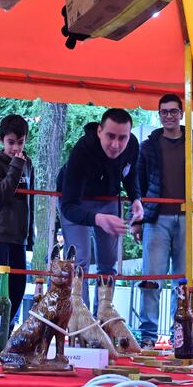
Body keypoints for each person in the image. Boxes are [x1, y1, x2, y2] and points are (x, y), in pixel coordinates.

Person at [133, 93, 193, 348]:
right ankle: (147, 336)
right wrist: (136, 220)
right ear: (158, 115)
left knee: (184, 281)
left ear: (181, 114)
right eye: (164, 112)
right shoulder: (147, 146)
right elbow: (137, 183)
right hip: (155, 218)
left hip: (190, 217)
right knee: (151, 278)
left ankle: (180, 335)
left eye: (173, 111)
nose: (168, 116)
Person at [59, 108, 143, 309]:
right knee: (80, 260)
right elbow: (68, 207)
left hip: (108, 199)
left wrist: (136, 199)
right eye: (110, 136)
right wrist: (99, 219)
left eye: (122, 138)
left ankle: (104, 316)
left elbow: (130, 174)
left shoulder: (132, 145)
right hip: (75, 201)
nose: (116, 145)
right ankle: (80, 319)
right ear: (99, 131)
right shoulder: (82, 150)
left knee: (108, 263)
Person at [0, 114, 35, 328]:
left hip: (19, 235)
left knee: (18, 286)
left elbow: (30, 197)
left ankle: (6, 326)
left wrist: (30, 234)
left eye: (20, 142)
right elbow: (2, 194)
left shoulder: (27, 163)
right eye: (11, 142)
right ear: (2, 140)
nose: (15, 147)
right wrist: (15, 165)